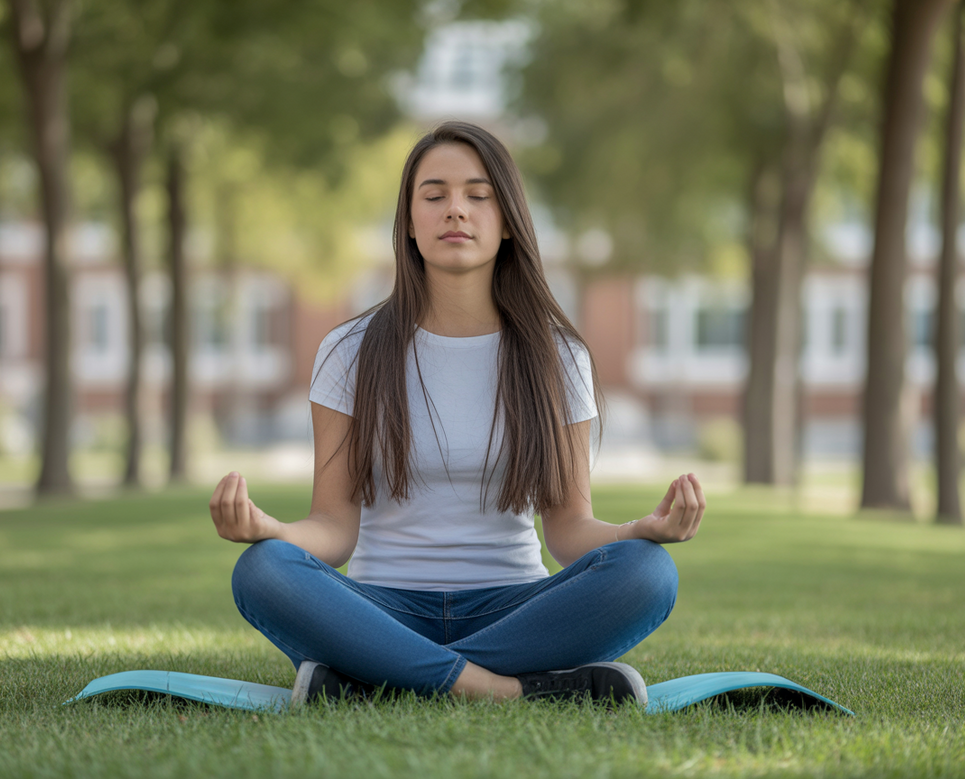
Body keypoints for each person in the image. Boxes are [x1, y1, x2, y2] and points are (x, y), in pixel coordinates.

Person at [209, 120, 706, 707]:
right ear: (410, 223)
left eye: (478, 195)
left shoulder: (559, 358)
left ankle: (377, 678)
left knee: (648, 574)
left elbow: (570, 531)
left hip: (515, 608)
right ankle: (502, 690)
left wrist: (638, 532)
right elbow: (333, 531)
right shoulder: (349, 351)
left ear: (508, 222)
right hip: (382, 607)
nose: (456, 211)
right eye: (435, 195)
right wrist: (271, 532)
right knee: (263, 571)